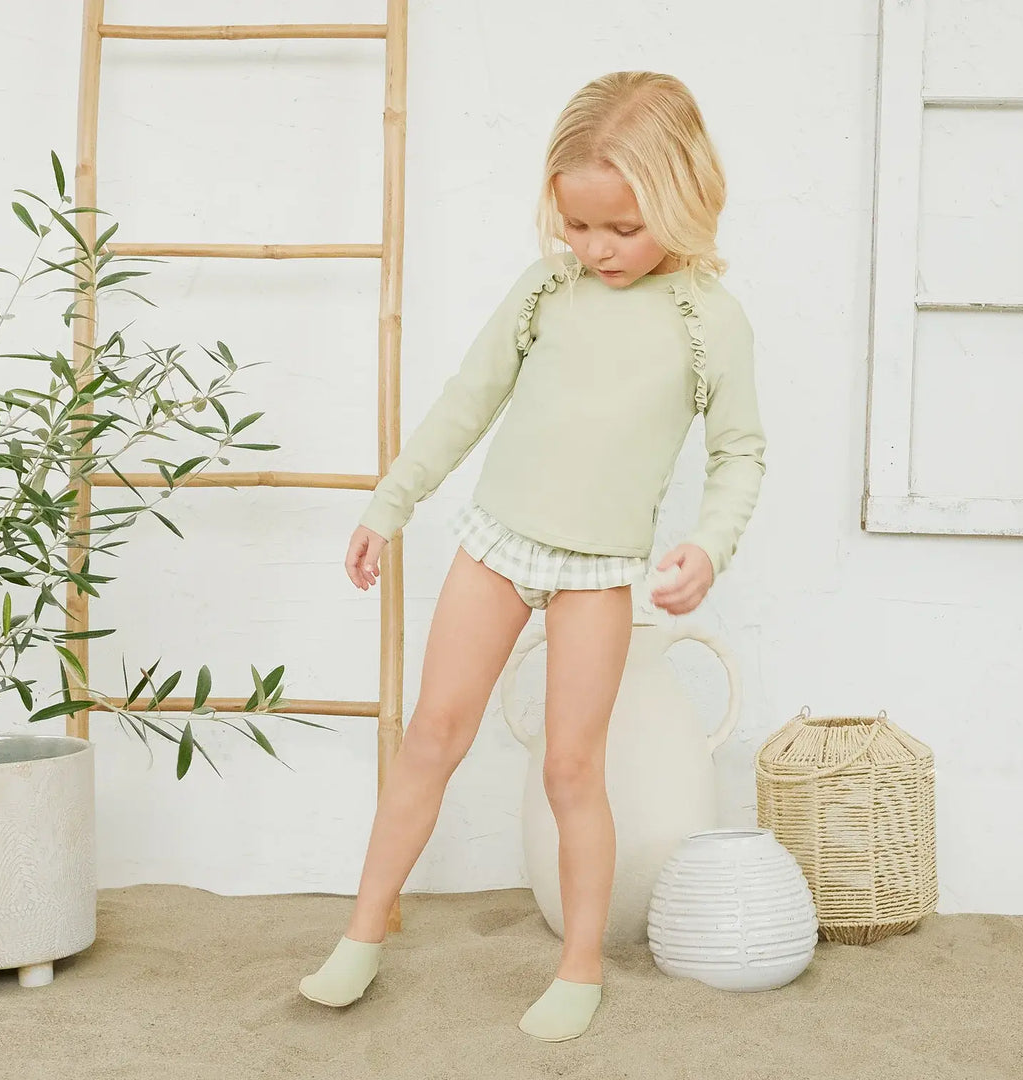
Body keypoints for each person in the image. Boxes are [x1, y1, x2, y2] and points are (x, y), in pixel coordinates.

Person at [299, 70, 766, 1043]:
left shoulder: (706, 319)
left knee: (569, 769)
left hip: (599, 570)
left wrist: (707, 549)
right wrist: (389, 506)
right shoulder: (546, 289)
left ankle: (581, 964)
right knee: (432, 734)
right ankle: (361, 929)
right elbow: (467, 401)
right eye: (577, 226)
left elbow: (739, 454)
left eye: (622, 229)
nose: (597, 250)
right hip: (495, 543)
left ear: (680, 200)